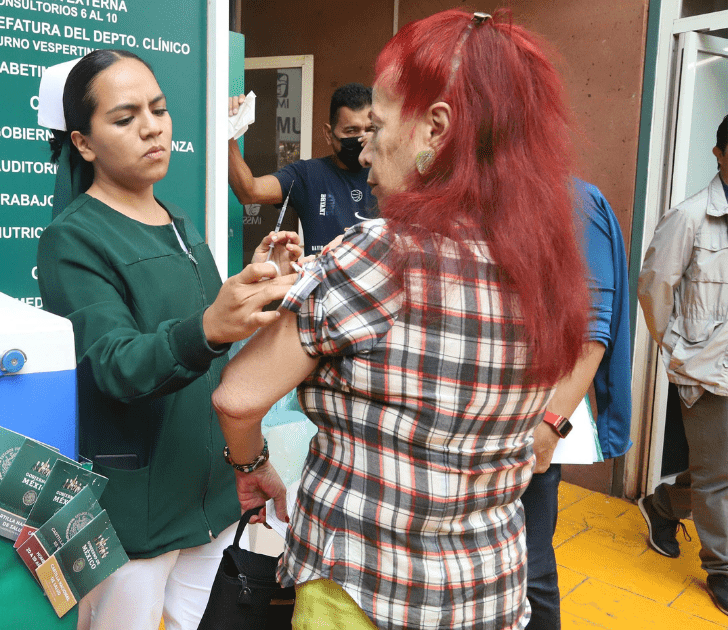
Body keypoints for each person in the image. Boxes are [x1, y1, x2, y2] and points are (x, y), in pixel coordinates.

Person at [212, 10, 590, 629]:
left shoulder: (380, 256)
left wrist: (252, 469)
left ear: (435, 128)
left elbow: (238, 397)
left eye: (378, 126)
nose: (363, 150)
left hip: (363, 591)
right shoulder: (546, 266)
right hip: (489, 591)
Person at [35, 49, 302, 630]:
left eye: (158, 109)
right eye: (125, 117)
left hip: (211, 500)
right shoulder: (72, 238)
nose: (152, 127)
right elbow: (116, 364)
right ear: (83, 143)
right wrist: (209, 326)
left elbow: (211, 352)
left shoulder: (178, 220)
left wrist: (259, 284)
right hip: (134, 515)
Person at [520, 179, 633, 630]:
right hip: (468, 419)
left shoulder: (574, 200)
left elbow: (591, 331)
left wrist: (550, 426)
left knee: (530, 568)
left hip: (532, 420)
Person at [636, 113, 728, 617]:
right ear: (719, 153)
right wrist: (680, 349)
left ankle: (663, 506)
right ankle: (723, 570)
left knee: (718, 469)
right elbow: (654, 288)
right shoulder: (690, 217)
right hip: (709, 372)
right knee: (719, 479)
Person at [228, 83, 375, 255]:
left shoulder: (392, 176)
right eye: (351, 131)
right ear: (329, 134)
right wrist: (229, 130)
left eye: (371, 130)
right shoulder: (308, 174)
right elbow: (249, 191)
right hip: (323, 272)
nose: (362, 138)